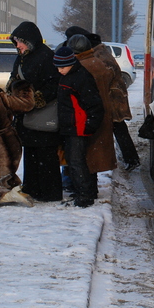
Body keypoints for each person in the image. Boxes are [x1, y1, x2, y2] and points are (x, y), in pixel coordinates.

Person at [65, 26, 139, 170]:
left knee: (117, 127)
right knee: (118, 128)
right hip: (112, 96)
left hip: (111, 98)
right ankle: (131, 158)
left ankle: (131, 159)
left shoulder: (97, 54)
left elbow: (104, 76)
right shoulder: (99, 50)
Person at [8, 21, 64, 202]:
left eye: (20, 42)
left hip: (43, 114)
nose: (18, 46)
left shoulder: (46, 56)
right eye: (16, 42)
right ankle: (33, 189)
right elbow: (14, 77)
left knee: (46, 155)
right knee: (31, 153)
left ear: (30, 40)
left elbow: (54, 84)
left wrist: (36, 100)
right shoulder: (23, 56)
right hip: (26, 116)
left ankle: (49, 193)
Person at [53, 46, 104, 208]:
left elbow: (94, 104)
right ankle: (81, 192)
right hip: (70, 126)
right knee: (74, 161)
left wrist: (90, 124)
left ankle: (85, 196)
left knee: (77, 162)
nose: (60, 70)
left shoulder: (81, 78)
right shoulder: (68, 76)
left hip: (78, 127)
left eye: (62, 67)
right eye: (58, 67)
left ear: (71, 64)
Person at [65, 33, 118, 179]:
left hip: (87, 116)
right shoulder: (96, 62)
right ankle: (90, 190)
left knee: (83, 158)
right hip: (100, 114)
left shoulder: (82, 66)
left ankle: (85, 193)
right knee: (93, 158)